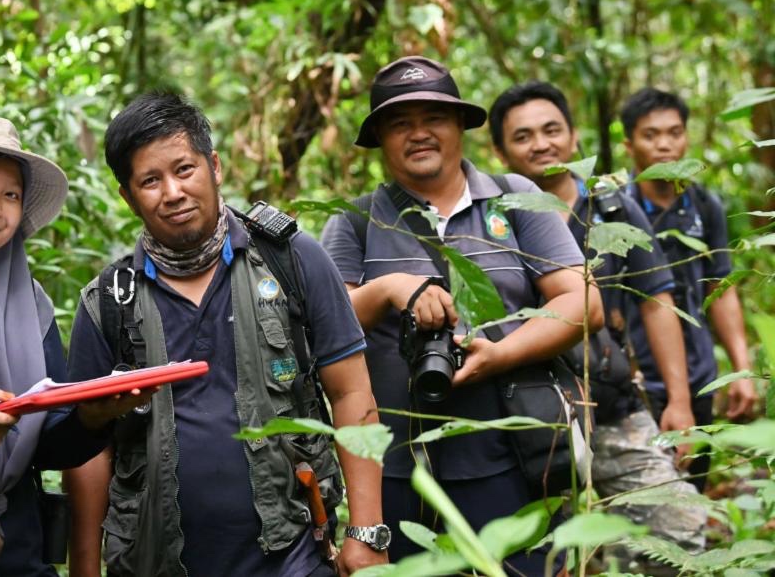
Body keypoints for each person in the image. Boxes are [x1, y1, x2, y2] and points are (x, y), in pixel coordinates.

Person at [65, 91, 387, 577]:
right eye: (150, 180)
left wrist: (366, 532)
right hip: (154, 562)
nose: (172, 192)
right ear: (128, 197)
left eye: (184, 170)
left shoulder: (292, 260)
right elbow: (89, 452)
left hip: (294, 556)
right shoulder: (108, 301)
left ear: (214, 166)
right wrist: (85, 568)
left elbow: (352, 391)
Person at [320, 57, 603, 573]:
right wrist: (388, 290)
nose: (419, 134)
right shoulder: (355, 222)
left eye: (435, 118)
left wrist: (499, 355)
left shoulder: (517, 199)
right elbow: (326, 331)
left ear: (460, 127)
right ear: (380, 138)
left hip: (513, 458)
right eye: (400, 123)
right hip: (396, 471)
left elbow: (583, 303)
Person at [0, 113, 148, 576]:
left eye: (10, 195)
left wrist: (92, 417)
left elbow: (49, 443)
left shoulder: (30, 301)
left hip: (17, 546)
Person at [490, 80, 706, 573]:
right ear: (499, 149)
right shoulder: (489, 216)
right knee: (549, 557)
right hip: (527, 419)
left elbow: (656, 300)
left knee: (679, 526)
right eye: (522, 137)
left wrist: (678, 401)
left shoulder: (610, 206)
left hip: (611, 404)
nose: (541, 144)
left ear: (573, 136)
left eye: (552, 130)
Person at [621, 87, 759, 488]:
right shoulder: (615, 206)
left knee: (692, 488)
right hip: (638, 378)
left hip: (698, 373)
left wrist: (741, 371)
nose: (665, 145)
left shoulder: (704, 205)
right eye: (651, 135)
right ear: (629, 144)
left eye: (675, 132)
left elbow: (721, 284)